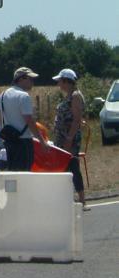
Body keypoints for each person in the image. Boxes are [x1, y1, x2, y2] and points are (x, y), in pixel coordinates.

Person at [0, 66, 49, 171]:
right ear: (21, 79)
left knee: (12, 172)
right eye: (30, 79)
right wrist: (42, 142)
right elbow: (29, 121)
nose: (32, 82)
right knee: (24, 173)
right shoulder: (24, 96)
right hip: (23, 142)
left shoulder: (2, 95)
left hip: (9, 141)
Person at [52, 68, 87, 208]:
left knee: (72, 165)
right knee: (66, 167)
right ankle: (69, 198)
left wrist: (69, 139)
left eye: (60, 81)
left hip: (69, 139)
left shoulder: (75, 96)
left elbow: (76, 119)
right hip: (63, 137)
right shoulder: (70, 96)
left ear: (67, 81)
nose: (58, 84)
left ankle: (81, 199)